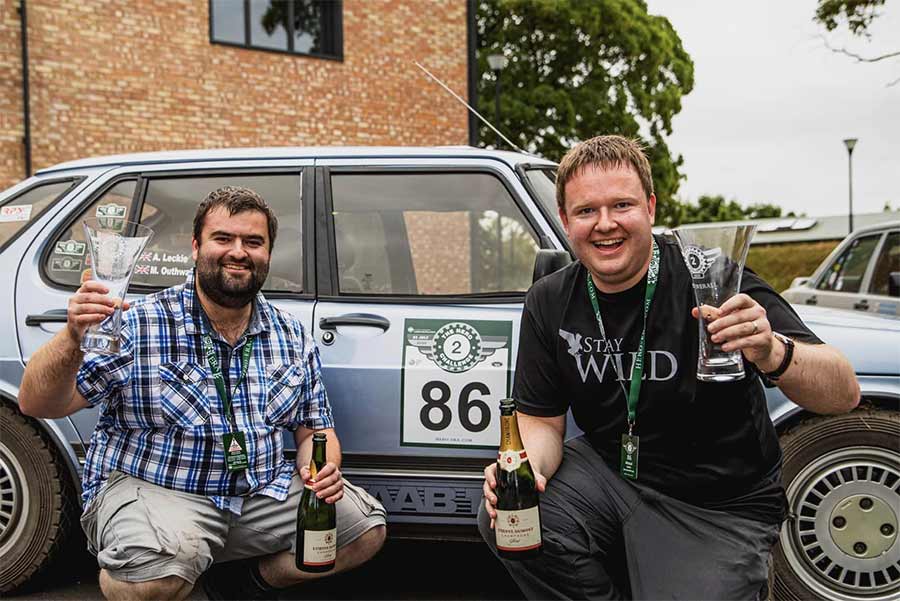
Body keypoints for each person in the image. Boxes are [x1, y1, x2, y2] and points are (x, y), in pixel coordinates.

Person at [478, 136, 860, 600]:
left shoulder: (708, 278)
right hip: (614, 476)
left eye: (622, 205)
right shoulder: (551, 298)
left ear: (651, 208)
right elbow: (540, 421)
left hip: (718, 505)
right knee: (512, 515)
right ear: (564, 220)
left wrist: (773, 351)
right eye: (585, 211)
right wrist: (526, 471)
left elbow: (843, 392)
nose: (605, 225)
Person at [19, 186, 386, 601]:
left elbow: (314, 431)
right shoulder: (141, 324)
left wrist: (322, 470)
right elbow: (38, 403)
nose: (238, 252)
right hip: (160, 490)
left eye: (253, 242)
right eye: (223, 238)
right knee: (149, 583)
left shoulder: (291, 335)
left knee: (363, 530)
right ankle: (150, 566)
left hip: (258, 492)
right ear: (195, 247)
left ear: (268, 253)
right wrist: (71, 337)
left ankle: (241, 585)